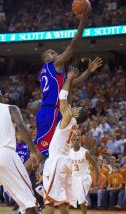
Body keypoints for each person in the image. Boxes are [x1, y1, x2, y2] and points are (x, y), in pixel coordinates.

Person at [33, 8, 91, 160]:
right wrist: (82, 21)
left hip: (52, 111)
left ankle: (40, 180)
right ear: (48, 59)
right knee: (41, 154)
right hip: (50, 111)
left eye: (54, 53)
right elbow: (72, 47)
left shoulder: (54, 74)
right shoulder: (53, 64)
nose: (55, 54)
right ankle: (20, 178)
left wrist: (88, 71)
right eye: (51, 54)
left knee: (51, 152)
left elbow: (73, 84)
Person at [43, 67, 89, 214]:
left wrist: (68, 78)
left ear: (76, 112)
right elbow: (68, 99)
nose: (74, 106)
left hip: (57, 161)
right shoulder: (74, 124)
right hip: (65, 162)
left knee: (49, 202)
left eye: (76, 107)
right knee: (62, 204)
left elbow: (63, 98)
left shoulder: (69, 118)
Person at [0, 93, 40, 214]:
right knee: (30, 202)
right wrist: (33, 151)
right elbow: (21, 126)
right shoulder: (11, 108)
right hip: (5, 153)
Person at [68, 135, 98, 214]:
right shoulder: (69, 152)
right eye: (74, 140)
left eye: (77, 140)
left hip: (84, 177)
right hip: (74, 177)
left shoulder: (85, 152)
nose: (75, 141)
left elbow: (95, 165)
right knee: (69, 199)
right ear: (71, 142)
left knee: (81, 199)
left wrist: (97, 180)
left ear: (80, 142)